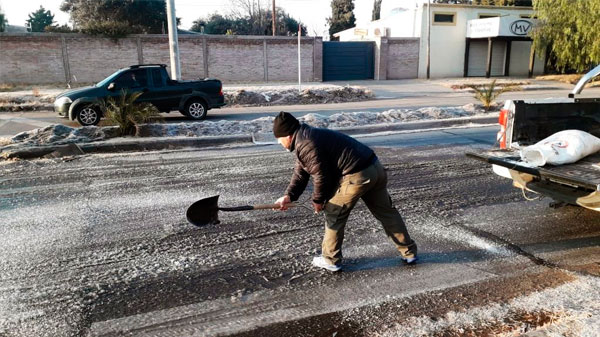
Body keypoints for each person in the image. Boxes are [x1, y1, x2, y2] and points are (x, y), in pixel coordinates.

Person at [273, 111, 417, 272]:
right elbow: (301, 172)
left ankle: (330, 260)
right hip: (374, 168)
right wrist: (289, 196)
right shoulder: (307, 137)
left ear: (288, 135)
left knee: (334, 212)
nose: (279, 143)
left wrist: (318, 201)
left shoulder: (306, 143)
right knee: (386, 212)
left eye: (279, 139)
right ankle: (409, 252)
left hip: (357, 175)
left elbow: (321, 176)